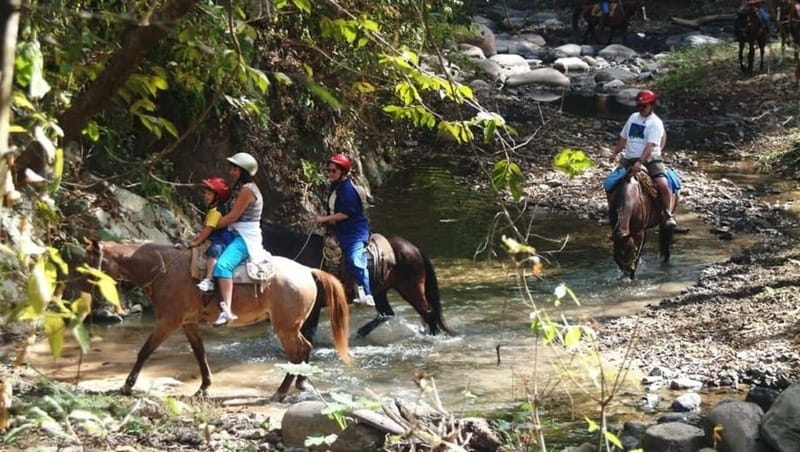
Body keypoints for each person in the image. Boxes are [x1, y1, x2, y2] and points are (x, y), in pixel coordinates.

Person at [210, 152, 270, 326]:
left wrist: (211, 226)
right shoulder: (242, 188)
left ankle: (226, 309)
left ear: (243, 171)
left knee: (223, 265)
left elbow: (231, 217)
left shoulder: (247, 190)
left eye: (235, 169)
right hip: (235, 232)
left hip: (245, 236)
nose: (231, 171)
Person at [607, 89, 676, 228]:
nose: (641, 109)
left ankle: (668, 213)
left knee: (663, 184)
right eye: (639, 106)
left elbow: (650, 146)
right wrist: (615, 152)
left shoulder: (655, 123)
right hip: (629, 158)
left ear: (651, 105)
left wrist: (640, 162)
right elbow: (624, 137)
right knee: (610, 183)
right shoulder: (633, 117)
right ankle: (612, 212)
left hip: (651, 159)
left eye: (644, 106)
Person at [314, 154, 374, 306]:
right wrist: (327, 221)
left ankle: (367, 294)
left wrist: (324, 219)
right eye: (329, 170)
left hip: (353, 232)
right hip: (340, 229)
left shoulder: (347, 190)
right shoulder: (336, 186)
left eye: (333, 171)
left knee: (354, 260)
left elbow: (345, 214)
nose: (330, 174)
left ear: (342, 172)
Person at [191, 177, 236, 293]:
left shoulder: (216, 212)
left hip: (221, 239)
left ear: (217, 197)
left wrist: (197, 242)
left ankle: (209, 279)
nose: (206, 196)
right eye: (206, 193)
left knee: (213, 252)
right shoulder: (212, 209)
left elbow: (208, 229)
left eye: (209, 194)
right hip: (216, 237)